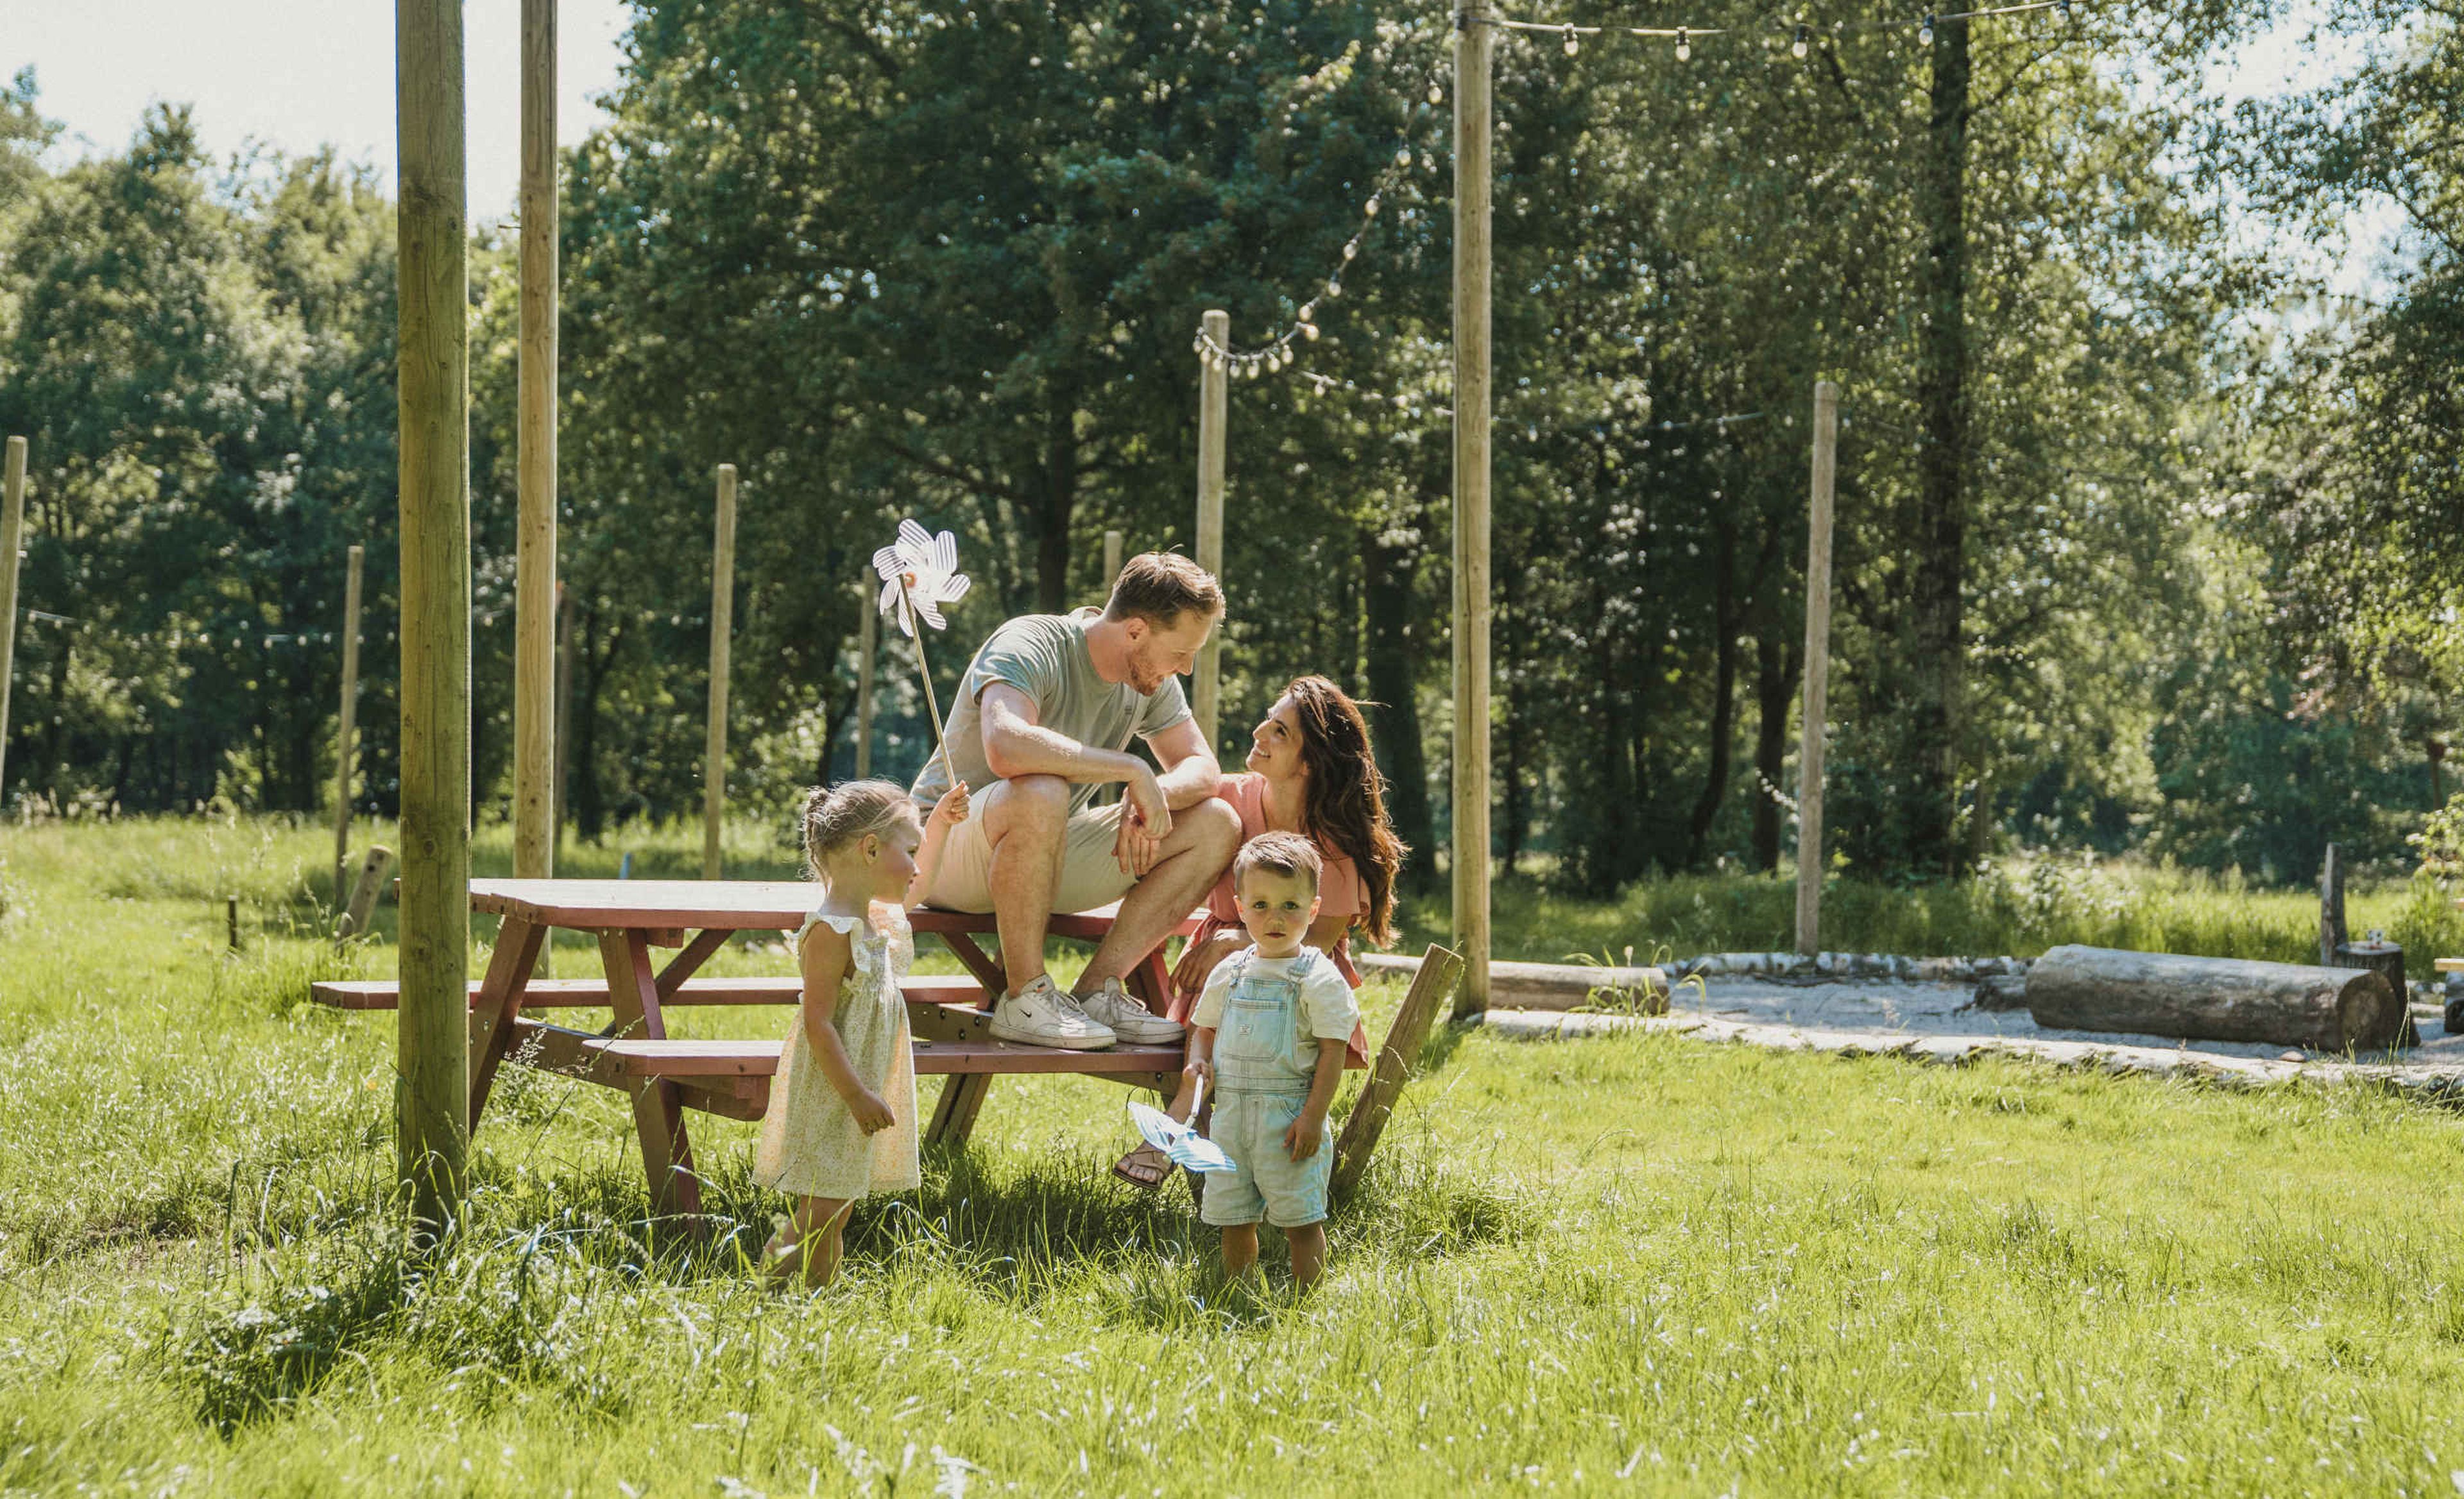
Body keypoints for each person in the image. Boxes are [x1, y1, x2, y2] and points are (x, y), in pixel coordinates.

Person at [911, 552, 1241, 1049]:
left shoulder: (1151, 679)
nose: (1187, 668)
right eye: (1181, 653)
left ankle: (1097, 991)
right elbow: (1007, 745)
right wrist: (1131, 769)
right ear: (1135, 631)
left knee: (1216, 822)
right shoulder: (1030, 640)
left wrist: (1154, 796)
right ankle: (1025, 997)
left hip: (1039, 847)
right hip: (941, 849)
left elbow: (1203, 768)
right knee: (1042, 788)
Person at [1115, 675, 1407, 1186]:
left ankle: (1204, 1137)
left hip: (1297, 974)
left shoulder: (1334, 835)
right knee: (1216, 1003)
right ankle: (1190, 1126)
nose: (1259, 733)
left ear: (1310, 761)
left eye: (1279, 732)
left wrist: (1236, 943)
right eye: (1267, 720)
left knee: (1252, 990)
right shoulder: (1229, 796)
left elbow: (1317, 940)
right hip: (1219, 969)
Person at [755, 778, 970, 1287]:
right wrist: (855, 1095)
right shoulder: (833, 931)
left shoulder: (874, 918)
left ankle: (817, 1296)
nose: (918, 868)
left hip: (860, 1085)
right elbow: (818, 1023)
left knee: (837, 1206)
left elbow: (914, 888)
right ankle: (762, 1289)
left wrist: (938, 824)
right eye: (910, 852)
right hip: (836, 1090)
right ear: (870, 849)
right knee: (821, 1208)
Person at [1177, 832, 1359, 1290]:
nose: (1275, 918)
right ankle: (1238, 1290)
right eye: (1260, 906)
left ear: (1313, 909)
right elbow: (1204, 1031)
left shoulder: (1316, 976)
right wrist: (1198, 1063)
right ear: (1239, 908)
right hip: (1232, 1117)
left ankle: (1306, 1299)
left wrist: (1313, 1117)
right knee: (1234, 1217)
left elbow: (1333, 1050)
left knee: (1300, 1219)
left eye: (1290, 907)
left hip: (1289, 1116)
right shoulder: (1230, 971)